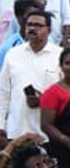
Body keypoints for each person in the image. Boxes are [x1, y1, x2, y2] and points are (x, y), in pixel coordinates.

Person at [0, 8, 60, 141]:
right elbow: (3, 93)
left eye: (38, 25)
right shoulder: (13, 54)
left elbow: (66, 95)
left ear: (49, 30)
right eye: (29, 25)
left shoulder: (60, 56)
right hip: (16, 131)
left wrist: (44, 101)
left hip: (48, 134)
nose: (32, 28)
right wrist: (1, 126)